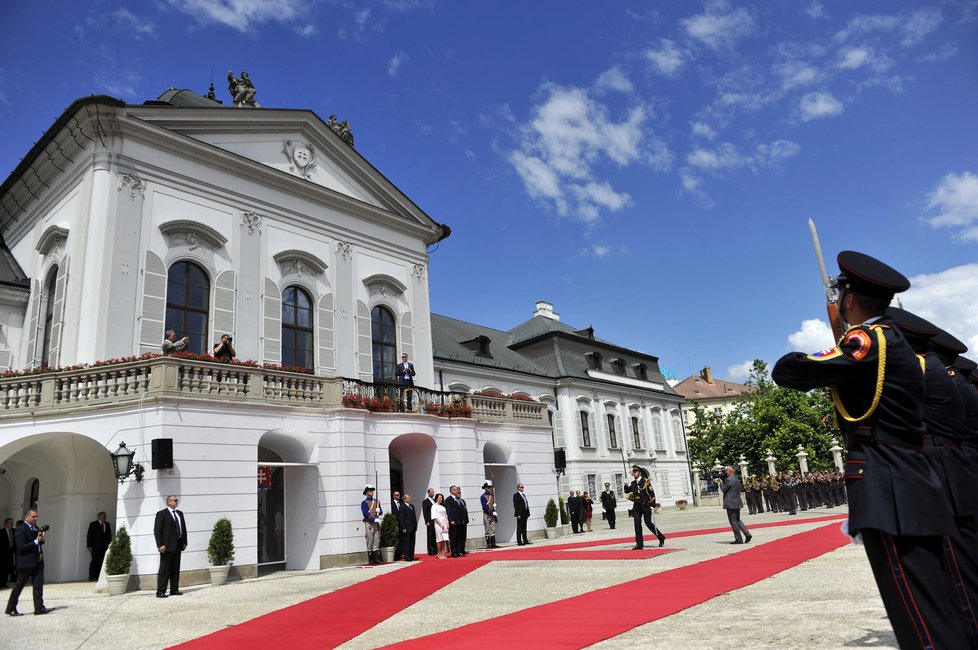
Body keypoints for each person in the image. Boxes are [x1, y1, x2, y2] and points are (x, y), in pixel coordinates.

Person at [772, 250, 971, 649]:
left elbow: (789, 371)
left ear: (848, 298)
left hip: (889, 482)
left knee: (914, 607)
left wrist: (829, 349)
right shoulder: (894, 346)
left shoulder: (869, 339)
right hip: (910, 478)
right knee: (933, 600)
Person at [6, 509, 51, 616]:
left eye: (37, 516)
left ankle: (39, 608)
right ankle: (10, 608)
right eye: (33, 517)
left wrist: (42, 539)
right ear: (26, 517)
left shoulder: (35, 527)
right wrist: (36, 541)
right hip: (26, 563)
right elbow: (21, 548)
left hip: (38, 562)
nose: (36, 518)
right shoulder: (21, 530)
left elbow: (39, 543)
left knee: (38, 586)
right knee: (19, 586)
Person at [623, 465, 666, 549]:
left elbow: (652, 493)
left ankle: (661, 537)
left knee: (648, 523)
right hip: (637, 507)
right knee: (637, 524)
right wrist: (625, 484)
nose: (634, 473)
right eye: (633, 472)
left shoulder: (646, 481)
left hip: (646, 505)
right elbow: (627, 490)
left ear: (639, 473)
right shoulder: (633, 483)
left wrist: (652, 505)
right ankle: (639, 544)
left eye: (635, 472)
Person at [154, 496, 187, 598]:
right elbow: (157, 530)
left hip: (178, 544)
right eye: (175, 500)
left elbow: (183, 528)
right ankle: (160, 591)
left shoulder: (179, 513)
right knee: (165, 569)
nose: (177, 502)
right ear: (169, 502)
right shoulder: (162, 514)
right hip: (167, 546)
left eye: (177, 500)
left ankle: (174, 589)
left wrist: (185, 542)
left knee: (175, 568)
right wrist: (160, 545)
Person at [720, 466, 751, 544]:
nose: (726, 472)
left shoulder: (728, 480)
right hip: (737, 501)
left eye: (727, 470)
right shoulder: (736, 479)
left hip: (730, 503)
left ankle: (739, 539)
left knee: (733, 521)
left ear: (731, 471)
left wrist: (720, 483)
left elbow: (724, 490)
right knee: (738, 520)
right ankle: (747, 533)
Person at [86, 511, 112, 581]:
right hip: (95, 546)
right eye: (103, 515)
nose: (105, 517)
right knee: (94, 561)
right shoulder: (93, 524)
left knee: (101, 561)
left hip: (103, 547)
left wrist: (109, 545)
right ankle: (91, 576)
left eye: (105, 516)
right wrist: (89, 545)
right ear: (99, 516)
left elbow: (109, 536)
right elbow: (89, 535)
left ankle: (98, 576)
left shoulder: (107, 524)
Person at [361, 485, 382, 565]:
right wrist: (373, 519)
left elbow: (381, 512)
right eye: (370, 491)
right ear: (366, 492)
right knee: (370, 539)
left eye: (372, 491)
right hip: (369, 522)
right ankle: (371, 558)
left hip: (376, 522)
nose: (372, 492)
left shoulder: (376, 501)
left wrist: (379, 511)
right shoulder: (364, 503)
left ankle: (376, 558)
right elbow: (365, 513)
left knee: (376, 539)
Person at [445, 485, 468, 557]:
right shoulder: (449, 499)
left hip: (460, 521)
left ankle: (459, 551)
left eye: (456, 490)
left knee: (459, 537)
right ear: (451, 491)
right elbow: (448, 511)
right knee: (453, 537)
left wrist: (463, 520)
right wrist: (450, 520)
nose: (456, 491)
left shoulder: (458, 499)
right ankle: (454, 552)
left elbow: (462, 510)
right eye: (455, 490)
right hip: (454, 521)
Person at [396, 494, 419, 561]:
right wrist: (403, 527)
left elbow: (414, 516)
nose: (410, 499)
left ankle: (411, 556)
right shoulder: (402, 507)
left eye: (409, 497)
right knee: (407, 542)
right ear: (405, 499)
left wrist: (415, 525)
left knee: (412, 542)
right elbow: (402, 518)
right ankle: (407, 556)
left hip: (412, 527)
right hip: (407, 527)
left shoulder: (412, 506)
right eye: (408, 498)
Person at [431, 494, 450, 560]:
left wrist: (447, 523)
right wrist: (440, 524)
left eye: (441, 498)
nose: (441, 499)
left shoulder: (443, 507)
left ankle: (442, 552)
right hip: (438, 524)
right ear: (436, 498)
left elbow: (446, 515)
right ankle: (439, 553)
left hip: (444, 524)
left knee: (444, 539)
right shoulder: (434, 506)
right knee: (439, 539)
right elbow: (434, 517)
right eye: (439, 498)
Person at [480, 481, 498, 548]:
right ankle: (489, 544)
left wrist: (494, 507)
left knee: (493, 528)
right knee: (487, 528)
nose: (489, 489)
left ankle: (493, 543)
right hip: (487, 513)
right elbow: (485, 506)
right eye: (488, 487)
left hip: (492, 513)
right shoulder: (483, 496)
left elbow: (492, 504)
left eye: (490, 487)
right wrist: (491, 512)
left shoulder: (492, 496)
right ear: (485, 488)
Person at [422, 487, 437, 556]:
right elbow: (425, 512)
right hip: (429, 521)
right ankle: (430, 550)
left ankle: (435, 549)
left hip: (435, 520)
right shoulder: (425, 501)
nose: (433, 493)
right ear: (428, 493)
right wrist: (426, 521)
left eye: (433, 492)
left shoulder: (434, 500)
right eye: (431, 492)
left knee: (435, 535)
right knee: (430, 535)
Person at [1, 518, 15, 588]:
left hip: (10, 552)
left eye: (12, 523)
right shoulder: (1, 532)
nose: (12, 524)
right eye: (10, 523)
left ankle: (4, 583)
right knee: (2, 568)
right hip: (3, 553)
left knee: (8, 568)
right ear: (6, 524)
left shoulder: (13, 531)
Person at [391, 490, 404, 561]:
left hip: (401, 524)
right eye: (396, 495)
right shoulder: (391, 504)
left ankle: (400, 553)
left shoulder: (401, 504)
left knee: (401, 539)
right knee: (396, 540)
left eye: (399, 495)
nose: (398, 496)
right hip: (395, 524)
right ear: (393, 496)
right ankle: (396, 555)